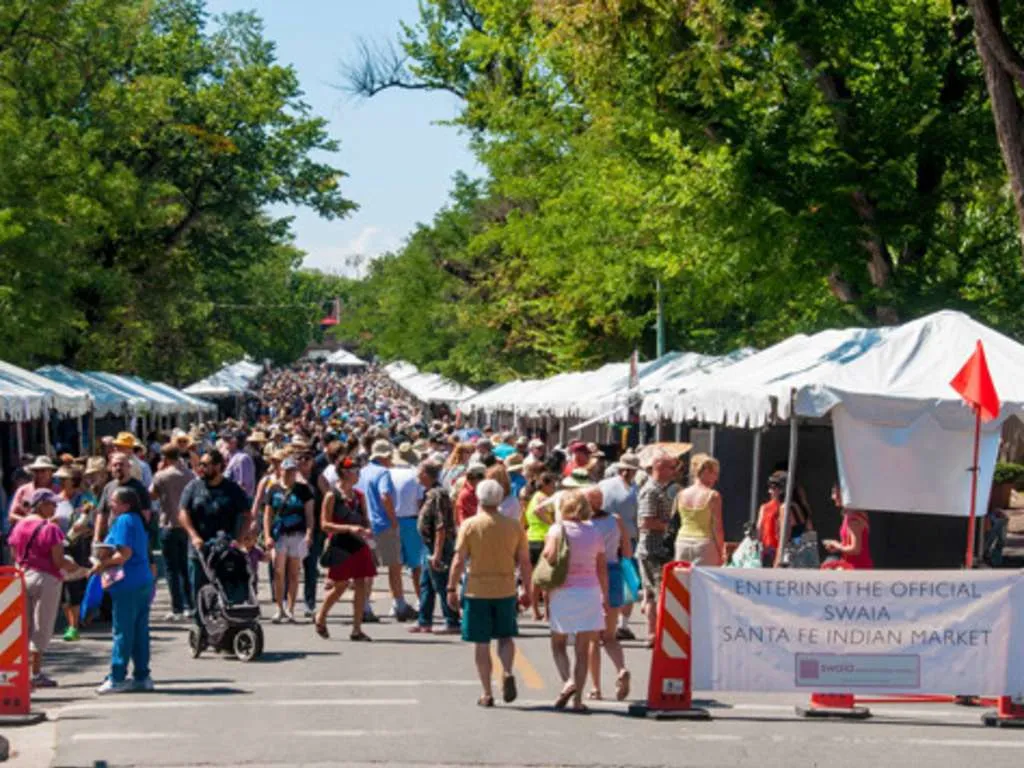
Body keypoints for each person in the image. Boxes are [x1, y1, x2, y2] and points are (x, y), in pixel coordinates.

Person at [447, 479, 532, 708]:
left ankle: (486, 692)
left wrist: (451, 587)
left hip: (477, 589)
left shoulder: (470, 525)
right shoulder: (514, 526)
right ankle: (506, 670)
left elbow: (458, 560)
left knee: (481, 643)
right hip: (505, 587)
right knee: (505, 636)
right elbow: (524, 561)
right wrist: (528, 589)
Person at [8, 489, 82, 688]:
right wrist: (75, 568)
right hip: (46, 578)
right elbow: (58, 561)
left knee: (23, 627)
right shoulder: (51, 529)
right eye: (52, 504)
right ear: (40, 504)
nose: (55, 507)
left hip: (22, 576)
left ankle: (20, 672)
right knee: (42, 625)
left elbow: (14, 553)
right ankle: (36, 673)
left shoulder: (19, 526)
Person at [542, 490, 607, 712]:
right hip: (589, 592)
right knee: (582, 649)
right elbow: (601, 568)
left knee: (558, 643)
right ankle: (578, 700)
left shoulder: (557, 530)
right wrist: (604, 596)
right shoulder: (595, 532)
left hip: (563, 592)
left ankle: (567, 681)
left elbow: (549, 557)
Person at [92, 486, 155, 694]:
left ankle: (117, 677)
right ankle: (142, 675)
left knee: (123, 631)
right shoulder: (136, 520)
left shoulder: (124, 521)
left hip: (128, 583)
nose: (111, 504)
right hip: (141, 580)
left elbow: (124, 554)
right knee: (139, 631)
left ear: (125, 504)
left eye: (114, 501)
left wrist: (102, 564)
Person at [178, 449, 250, 624]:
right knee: (199, 591)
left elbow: (247, 514)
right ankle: (201, 627)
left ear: (218, 466)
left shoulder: (232, 489)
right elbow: (182, 513)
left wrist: (239, 539)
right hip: (200, 550)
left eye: (205, 464)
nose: (201, 468)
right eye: (200, 464)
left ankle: (227, 626)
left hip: (226, 550)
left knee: (227, 590)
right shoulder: (193, 487)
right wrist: (194, 536)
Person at [314, 457, 375, 641]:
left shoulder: (359, 495)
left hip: (359, 543)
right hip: (340, 544)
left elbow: (365, 519)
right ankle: (321, 615)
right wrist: (348, 528)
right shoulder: (332, 495)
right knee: (340, 585)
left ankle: (357, 629)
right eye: (355, 470)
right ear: (345, 473)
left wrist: (367, 530)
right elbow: (324, 525)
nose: (358, 474)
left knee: (361, 584)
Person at [584, 486, 631, 701]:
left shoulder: (584, 525)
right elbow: (628, 552)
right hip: (613, 572)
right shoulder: (616, 519)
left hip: (591, 575)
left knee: (593, 638)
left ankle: (596, 687)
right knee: (610, 636)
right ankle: (621, 668)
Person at [359, 440, 414, 621]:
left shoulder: (363, 472)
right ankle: (399, 603)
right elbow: (385, 495)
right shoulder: (383, 473)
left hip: (367, 524)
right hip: (383, 524)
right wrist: (392, 519)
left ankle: (365, 606)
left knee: (368, 568)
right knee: (394, 566)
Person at [264, 457, 315, 622]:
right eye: (287, 471)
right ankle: (279, 608)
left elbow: (309, 515)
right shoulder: (274, 489)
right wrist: (267, 535)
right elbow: (267, 515)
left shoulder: (303, 490)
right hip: (279, 535)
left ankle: (290, 608)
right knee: (278, 572)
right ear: (281, 471)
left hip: (297, 534)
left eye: (293, 471)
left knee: (294, 573)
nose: (290, 474)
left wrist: (309, 534)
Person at [412, 460, 459, 634]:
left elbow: (441, 526)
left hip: (437, 546)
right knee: (426, 584)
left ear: (427, 475)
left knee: (441, 584)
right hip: (428, 545)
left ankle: (452, 620)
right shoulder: (429, 493)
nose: (417, 475)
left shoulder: (438, 495)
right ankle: (424, 620)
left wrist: (438, 553)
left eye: (420, 472)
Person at [635, 449, 676, 647]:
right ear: (659, 467)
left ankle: (653, 634)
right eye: (671, 467)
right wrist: (669, 526)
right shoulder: (651, 490)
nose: (674, 471)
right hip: (653, 549)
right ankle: (657, 633)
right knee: (658, 593)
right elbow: (645, 521)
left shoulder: (660, 489)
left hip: (655, 549)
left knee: (651, 594)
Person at [151, 444, 195, 620]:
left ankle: (176, 607)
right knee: (185, 567)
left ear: (165, 457)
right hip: (186, 525)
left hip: (168, 523)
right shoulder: (189, 474)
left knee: (171, 568)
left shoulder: (161, 476)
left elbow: (151, 495)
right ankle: (190, 605)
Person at [599, 453, 640, 639]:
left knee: (618, 580)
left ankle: (615, 623)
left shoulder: (634, 489)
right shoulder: (629, 490)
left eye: (630, 470)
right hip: (616, 539)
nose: (628, 473)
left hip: (613, 538)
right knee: (622, 580)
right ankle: (614, 623)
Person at [55, 465, 95, 642]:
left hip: (78, 546)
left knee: (75, 585)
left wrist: (85, 527)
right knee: (62, 586)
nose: (62, 482)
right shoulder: (55, 499)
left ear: (75, 480)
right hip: (57, 544)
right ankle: (72, 621)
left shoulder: (85, 499)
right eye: (60, 479)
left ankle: (74, 626)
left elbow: (93, 522)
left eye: (66, 479)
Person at [674, 453, 725, 566]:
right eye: (715, 474)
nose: (716, 478)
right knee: (705, 582)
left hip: (682, 541)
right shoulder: (713, 495)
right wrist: (721, 552)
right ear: (706, 471)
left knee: (682, 581)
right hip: (704, 544)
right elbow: (717, 528)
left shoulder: (681, 494)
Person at [390, 459, 425, 618]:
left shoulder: (387, 474)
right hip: (411, 521)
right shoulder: (414, 475)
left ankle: (398, 601)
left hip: (391, 521)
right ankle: (421, 600)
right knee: (416, 565)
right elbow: (419, 501)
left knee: (395, 565)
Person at [94, 453, 151, 543]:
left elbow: (146, 514)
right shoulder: (108, 487)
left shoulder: (139, 488)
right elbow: (102, 513)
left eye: (121, 464)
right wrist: (96, 537)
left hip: (132, 537)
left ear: (128, 466)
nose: (118, 467)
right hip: (113, 536)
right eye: (114, 465)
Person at [524, 472, 557, 621]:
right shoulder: (544, 498)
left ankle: (535, 610)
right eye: (553, 485)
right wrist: (552, 523)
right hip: (544, 539)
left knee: (535, 578)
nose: (554, 488)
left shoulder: (533, 498)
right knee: (546, 577)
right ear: (546, 484)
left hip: (531, 538)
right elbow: (539, 511)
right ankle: (548, 613)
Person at [824, 485, 873, 569]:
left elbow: (856, 549)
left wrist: (837, 545)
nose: (832, 497)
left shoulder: (853, 519)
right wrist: (838, 546)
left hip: (858, 568)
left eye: (835, 492)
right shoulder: (851, 515)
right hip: (852, 566)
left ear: (844, 494)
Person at [8, 455, 58, 527]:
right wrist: (32, 523)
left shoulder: (58, 491)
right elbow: (11, 517)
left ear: (51, 472)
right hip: (28, 535)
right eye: (36, 471)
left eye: (43, 470)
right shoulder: (23, 490)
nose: (39, 474)